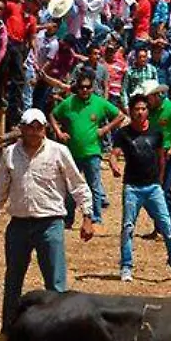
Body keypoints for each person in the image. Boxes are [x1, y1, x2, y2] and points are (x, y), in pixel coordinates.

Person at [0, 108, 93, 337]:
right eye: (29, 127)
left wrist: (87, 216)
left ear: (44, 129)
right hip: (19, 224)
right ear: (21, 128)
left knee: (55, 281)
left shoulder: (58, 151)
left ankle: (59, 332)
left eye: (37, 127)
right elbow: (0, 189)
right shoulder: (10, 154)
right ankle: (8, 330)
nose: (33, 132)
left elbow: (77, 184)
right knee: (13, 280)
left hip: (50, 223)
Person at [110, 94, 171, 283]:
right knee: (128, 228)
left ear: (148, 111)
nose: (140, 112)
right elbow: (114, 153)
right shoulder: (123, 134)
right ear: (131, 111)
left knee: (167, 227)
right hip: (132, 187)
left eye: (143, 109)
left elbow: (161, 158)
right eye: (136, 109)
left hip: (153, 187)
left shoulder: (157, 133)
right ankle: (126, 267)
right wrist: (114, 165)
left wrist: (160, 182)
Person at [48, 71, 123, 227]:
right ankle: (68, 219)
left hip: (92, 152)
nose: (84, 90)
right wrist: (59, 132)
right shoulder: (69, 103)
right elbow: (53, 115)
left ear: (92, 88)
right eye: (82, 87)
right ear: (77, 87)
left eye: (88, 87)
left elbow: (120, 115)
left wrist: (105, 129)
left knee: (94, 185)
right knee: (71, 187)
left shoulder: (99, 102)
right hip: (72, 154)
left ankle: (95, 217)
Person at [142, 79, 171, 238]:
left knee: (165, 190)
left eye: (148, 97)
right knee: (152, 191)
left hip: (168, 153)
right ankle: (160, 227)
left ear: (155, 95)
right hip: (153, 154)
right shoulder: (149, 112)